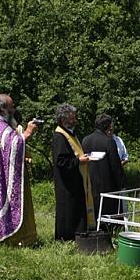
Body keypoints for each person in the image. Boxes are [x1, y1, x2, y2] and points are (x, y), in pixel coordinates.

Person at [0, 94, 38, 246]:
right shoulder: (0, 126)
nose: (14, 110)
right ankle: (10, 238)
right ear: (4, 109)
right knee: (2, 202)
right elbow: (14, 144)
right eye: (11, 107)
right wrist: (28, 132)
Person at [52, 103, 93, 241]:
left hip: (75, 180)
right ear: (63, 120)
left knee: (76, 209)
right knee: (68, 211)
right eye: (72, 118)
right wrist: (79, 161)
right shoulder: (60, 136)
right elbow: (60, 161)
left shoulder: (70, 134)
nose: (75, 120)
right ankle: (66, 238)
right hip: (66, 184)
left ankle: (78, 234)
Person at [82, 114, 126, 221]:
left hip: (90, 181)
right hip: (107, 184)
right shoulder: (109, 142)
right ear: (109, 126)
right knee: (109, 214)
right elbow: (115, 165)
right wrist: (122, 183)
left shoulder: (85, 140)